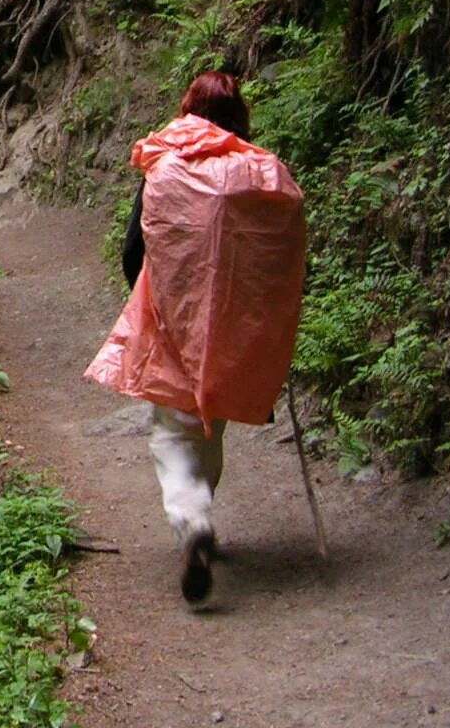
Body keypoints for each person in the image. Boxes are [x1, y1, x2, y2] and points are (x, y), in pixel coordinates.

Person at [84, 71, 306, 605]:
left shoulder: (166, 167)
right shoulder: (265, 174)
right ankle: (200, 518)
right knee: (211, 425)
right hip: (237, 327)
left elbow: (134, 250)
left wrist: (152, 301)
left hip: (174, 318)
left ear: (188, 109)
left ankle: (193, 519)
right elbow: (286, 256)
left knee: (173, 430)